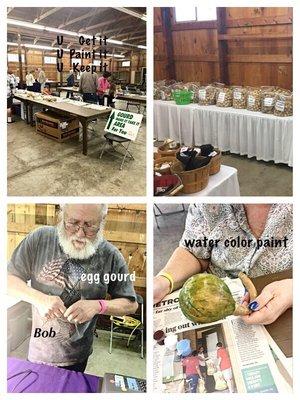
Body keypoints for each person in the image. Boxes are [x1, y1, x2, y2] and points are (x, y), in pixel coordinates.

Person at [7, 204, 138, 372]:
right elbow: (8, 280)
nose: (80, 233)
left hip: (77, 355)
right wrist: (39, 299)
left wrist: (98, 306)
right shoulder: (39, 239)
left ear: (102, 221)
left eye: (89, 225)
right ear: (62, 217)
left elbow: (130, 304)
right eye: (73, 223)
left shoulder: (110, 256)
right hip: (38, 351)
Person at [153, 204, 293, 325]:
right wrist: (164, 280)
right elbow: (194, 252)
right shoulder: (209, 203)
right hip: (214, 299)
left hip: (285, 320)